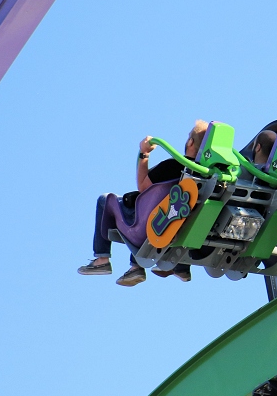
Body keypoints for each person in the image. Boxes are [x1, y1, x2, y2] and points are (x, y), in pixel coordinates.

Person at [78, 121, 209, 286]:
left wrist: (144, 154)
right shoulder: (211, 179)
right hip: (179, 228)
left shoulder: (174, 165)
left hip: (150, 228)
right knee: (171, 209)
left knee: (106, 200)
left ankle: (102, 259)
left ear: (191, 142)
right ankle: (178, 266)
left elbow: (142, 187)